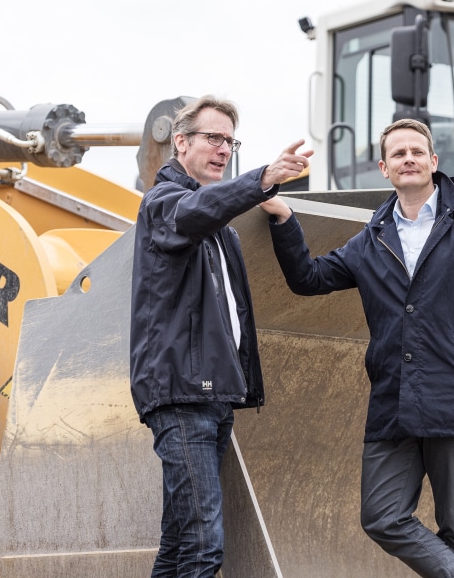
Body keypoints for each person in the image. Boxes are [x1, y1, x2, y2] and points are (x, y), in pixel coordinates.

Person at [261, 118, 454, 578]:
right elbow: (309, 278)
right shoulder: (372, 238)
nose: (408, 159)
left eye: (416, 151)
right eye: (398, 154)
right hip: (394, 402)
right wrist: (283, 217)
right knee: (382, 516)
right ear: (384, 168)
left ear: (433, 161)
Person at [129, 95, 312, 578]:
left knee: (179, 546)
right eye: (214, 138)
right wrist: (262, 178)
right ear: (181, 142)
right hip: (183, 395)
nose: (224, 149)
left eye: (231, 141)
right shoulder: (163, 204)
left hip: (213, 397)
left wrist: (282, 214)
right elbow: (195, 212)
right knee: (203, 548)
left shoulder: (221, 230)